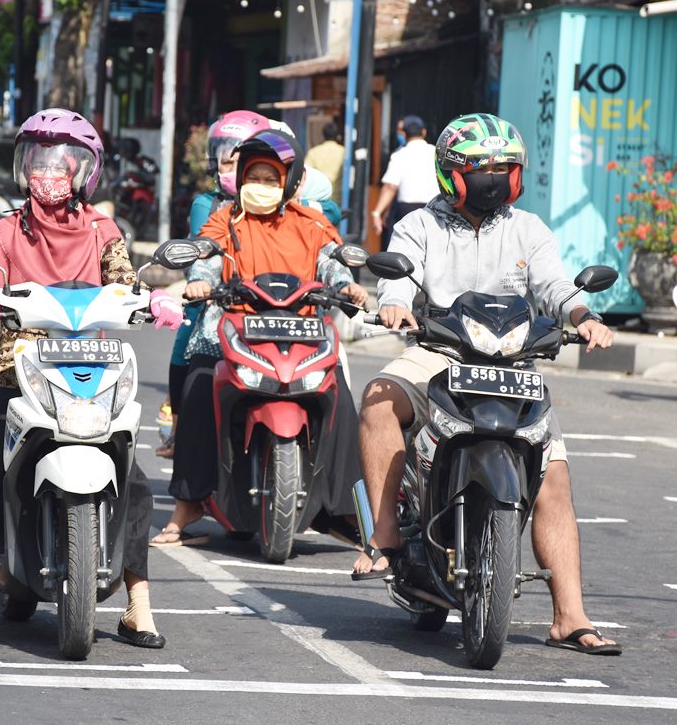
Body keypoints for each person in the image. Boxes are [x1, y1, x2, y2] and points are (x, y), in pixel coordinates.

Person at [351, 112, 621, 655]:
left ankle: (570, 615)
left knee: (556, 480)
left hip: (513, 366)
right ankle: (384, 535)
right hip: (436, 355)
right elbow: (398, 279)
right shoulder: (419, 226)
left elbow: (555, 287)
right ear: (452, 173)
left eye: (503, 168)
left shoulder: (529, 229)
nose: (492, 178)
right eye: (480, 168)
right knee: (379, 400)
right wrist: (397, 307)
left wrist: (583, 316)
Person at [0, 107, 182, 648]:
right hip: (17, 369)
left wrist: (157, 299)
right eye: (39, 161)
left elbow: (125, 281)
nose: (48, 172)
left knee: (135, 482)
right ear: (24, 167)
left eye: (60, 162)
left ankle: (138, 605)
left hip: (91, 370)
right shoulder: (2, 229)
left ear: (82, 172)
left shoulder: (102, 229)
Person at [150, 129, 368, 546]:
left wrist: (347, 286)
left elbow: (333, 264)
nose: (261, 187)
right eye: (254, 177)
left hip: (302, 332)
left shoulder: (311, 223)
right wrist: (199, 282)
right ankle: (188, 505)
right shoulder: (226, 219)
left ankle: (342, 510)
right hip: (235, 328)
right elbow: (206, 257)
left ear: (289, 181)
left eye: (271, 179)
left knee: (340, 395)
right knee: (198, 384)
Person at [155, 110, 272, 460]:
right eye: (226, 161)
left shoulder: (281, 205)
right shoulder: (206, 204)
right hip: (213, 301)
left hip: (266, 303)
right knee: (185, 346)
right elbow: (202, 251)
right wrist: (203, 283)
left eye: (244, 161)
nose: (233, 170)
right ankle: (179, 430)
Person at [370, 115, 438, 250]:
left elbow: (390, 186)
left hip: (407, 210)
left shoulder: (400, 155)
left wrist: (378, 212)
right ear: (423, 132)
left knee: (406, 247)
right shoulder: (436, 152)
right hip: (434, 208)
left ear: (404, 134)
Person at [303, 120, 345, 203]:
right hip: (338, 198)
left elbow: (305, 174)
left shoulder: (313, 152)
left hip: (318, 198)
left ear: (323, 135)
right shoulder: (344, 152)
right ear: (338, 136)